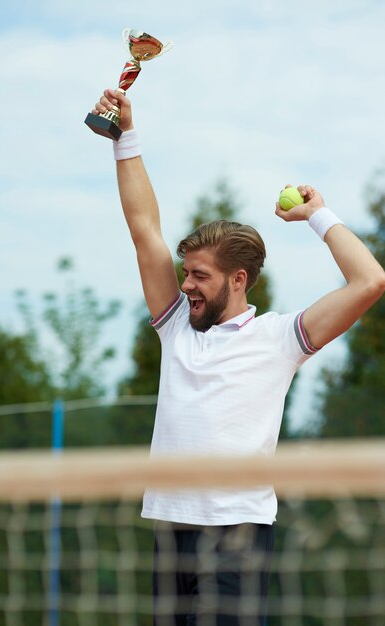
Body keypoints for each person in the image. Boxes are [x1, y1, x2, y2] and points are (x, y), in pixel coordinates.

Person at [91, 89, 385, 626]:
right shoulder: (177, 323)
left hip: (238, 533)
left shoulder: (280, 339)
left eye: (199, 275)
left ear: (238, 279)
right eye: (186, 273)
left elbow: (369, 282)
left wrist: (319, 215)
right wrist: (124, 136)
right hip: (169, 524)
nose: (187, 285)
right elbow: (144, 231)